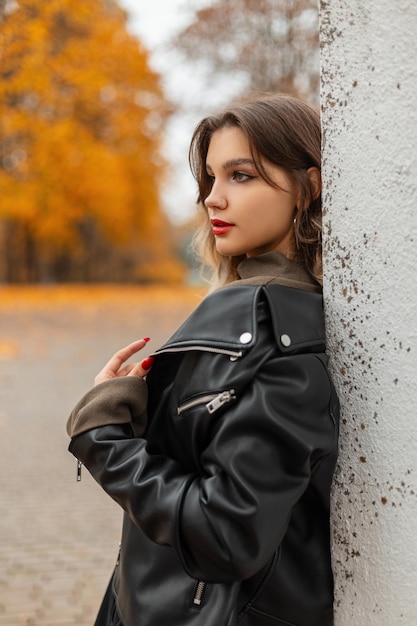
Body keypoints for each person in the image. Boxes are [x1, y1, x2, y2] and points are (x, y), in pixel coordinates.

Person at [66, 93, 340, 626]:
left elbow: (225, 533)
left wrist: (103, 438)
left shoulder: (274, 332)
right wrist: (154, 421)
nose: (213, 199)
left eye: (241, 175)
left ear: (310, 185)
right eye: (210, 179)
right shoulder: (256, 314)